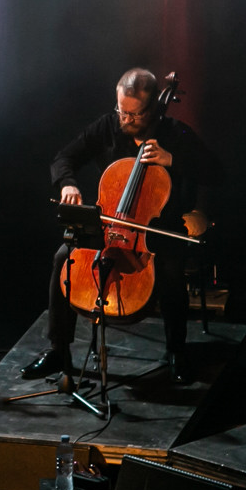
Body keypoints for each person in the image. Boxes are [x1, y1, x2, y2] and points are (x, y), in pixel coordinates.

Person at [23, 68, 221, 386]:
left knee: (170, 269)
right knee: (64, 257)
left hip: (158, 228)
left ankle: (176, 351)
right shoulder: (108, 126)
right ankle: (59, 350)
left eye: (134, 114)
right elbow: (64, 158)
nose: (125, 120)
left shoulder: (176, 135)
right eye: (121, 110)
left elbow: (216, 173)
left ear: (154, 108)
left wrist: (174, 160)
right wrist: (68, 184)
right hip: (111, 222)